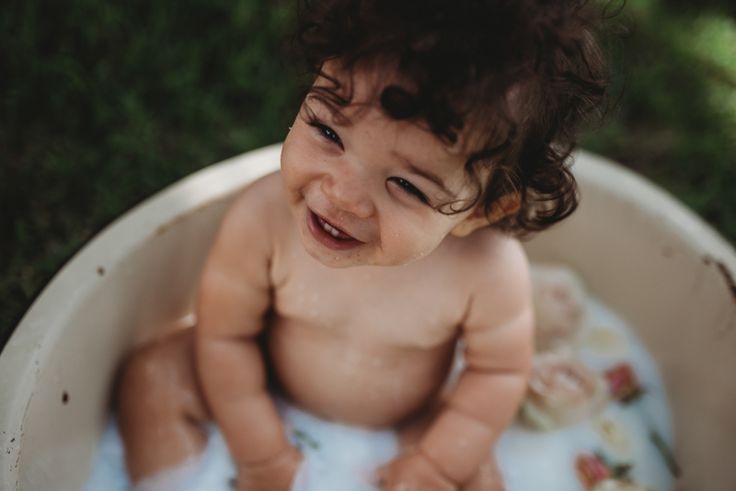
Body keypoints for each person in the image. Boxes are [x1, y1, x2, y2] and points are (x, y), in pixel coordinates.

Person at [116, 1, 608, 490]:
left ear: (480, 211)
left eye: (407, 187)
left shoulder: (488, 271)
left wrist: (435, 465)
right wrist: (258, 447)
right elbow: (225, 337)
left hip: (415, 423)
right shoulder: (261, 219)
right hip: (259, 385)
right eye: (328, 131)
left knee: (475, 474)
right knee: (153, 376)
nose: (341, 196)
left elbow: (496, 376)